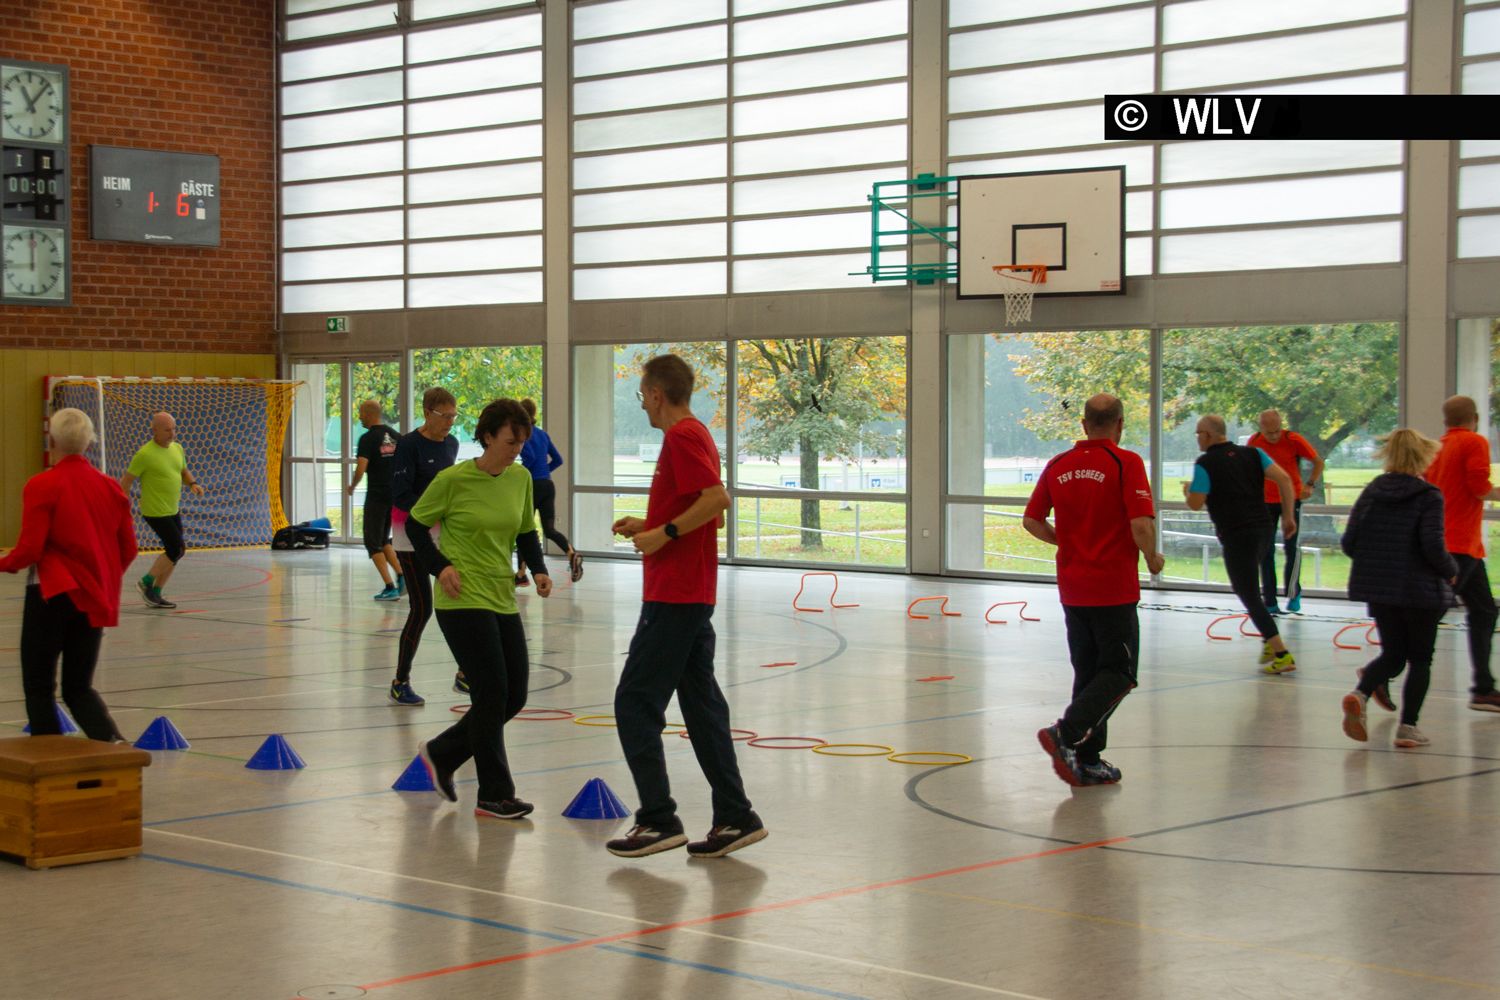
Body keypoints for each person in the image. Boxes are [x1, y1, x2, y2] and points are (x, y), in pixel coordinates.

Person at [606, 354, 765, 859]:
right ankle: (736, 815)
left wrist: (664, 533)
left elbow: (717, 500)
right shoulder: (695, 436)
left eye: (643, 396)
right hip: (690, 593)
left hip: (674, 595)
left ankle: (658, 819)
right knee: (701, 707)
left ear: (656, 394)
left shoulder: (682, 436)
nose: (643, 405)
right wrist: (650, 524)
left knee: (634, 702)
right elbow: (704, 511)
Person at [409, 399, 551, 819]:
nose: (517, 450)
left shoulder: (520, 478)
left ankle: (441, 753)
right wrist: (440, 566)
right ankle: (494, 794)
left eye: (522, 443)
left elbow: (525, 531)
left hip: (501, 595)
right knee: (490, 693)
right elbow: (416, 525)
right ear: (488, 436)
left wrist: (539, 569)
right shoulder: (453, 480)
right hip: (461, 597)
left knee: (514, 695)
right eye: (510, 441)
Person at [1024, 393, 1164, 787]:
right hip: (1112, 588)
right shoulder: (1126, 463)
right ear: (1120, 424)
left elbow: (1032, 521)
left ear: (1085, 425)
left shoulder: (1058, 464)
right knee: (1120, 672)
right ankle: (1065, 733)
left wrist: (1067, 542)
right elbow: (1141, 523)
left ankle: (1087, 758)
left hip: (1073, 589)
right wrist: (1151, 557)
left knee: (1088, 674)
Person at [0, 409, 136, 742]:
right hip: (93, 598)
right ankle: (116, 751)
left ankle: (49, 760)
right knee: (79, 688)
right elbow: (129, 548)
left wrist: (3, 563)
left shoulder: (42, 485)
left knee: (39, 686)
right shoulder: (110, 487)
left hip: (51, 593)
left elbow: (30, 550)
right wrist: (101, 576)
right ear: (89, 442)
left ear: (52, 441)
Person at [1340, 429, 1458, 749]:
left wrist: (1376, 563)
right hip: (1420, 591)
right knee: (1420, 659)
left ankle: (1360, 693)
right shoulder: (1428, 495)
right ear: (1423, 456)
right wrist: (1451, 571)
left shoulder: (1372, 491)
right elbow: (1432, 545)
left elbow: (1349, 541)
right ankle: (1408, 727)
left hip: (1380, 590)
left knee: (1393, 654)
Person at [1183, 415, 1299, 675]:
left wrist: (1188, 491)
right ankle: (1268, 638)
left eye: (1198, 433)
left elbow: (1195, 503)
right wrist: (1288, 516)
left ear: (1208, 435)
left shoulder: (1205, 463)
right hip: (1263, 530)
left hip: (1237, 534)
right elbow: (1285, 479)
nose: (1198, 438)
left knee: (1248, 593)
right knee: (1251, 587)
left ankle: (1282, 653)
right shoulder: (1254, 454)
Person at [1425, 395, 1500, 713]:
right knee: (1429, 616)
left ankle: (1483, 689)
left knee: (1484, 610)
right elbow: (1479, 487)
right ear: (1475, 417)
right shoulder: (1474, 442)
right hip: (1459, 545)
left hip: (1455, 543)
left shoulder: (1436, 447)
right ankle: (1379, 675)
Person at [387, 387, 461, 706]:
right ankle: (400, 681)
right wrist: (431, 511)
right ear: (428, 413)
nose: (450, 423)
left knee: (459, 597)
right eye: (445, 416)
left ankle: (465, 672)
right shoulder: (408, 445)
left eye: (454, 416)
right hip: (410, 534)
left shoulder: (452, 444)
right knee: (421, 608)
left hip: (443, 532)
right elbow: (400, 493)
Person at [120, 411, 204, 610]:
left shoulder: (177, 448)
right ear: (154, 430)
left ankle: (156, 592)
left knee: (177, 552)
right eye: (167, 430)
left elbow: (183, 470)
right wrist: (122, 506)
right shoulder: (145, 454)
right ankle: (146, 582)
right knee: (176, 548)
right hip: (155, 511)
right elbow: (127, 481)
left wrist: (193, 483)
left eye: (174, 429)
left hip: (172, 509)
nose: (172, 434)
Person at [1248, 409, 1323, 614]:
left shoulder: (1293, 439)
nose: (1274, 437)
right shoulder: (1254, 442)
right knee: (1266, 550)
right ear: (1261, 429)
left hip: (1291, 499)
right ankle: (1269, 600)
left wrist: (1310, 484)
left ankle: (1293, 592)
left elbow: (1318, 461)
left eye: (1277, 431)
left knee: (1292, 547)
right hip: (1265, 501)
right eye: (1269, 433)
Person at [514, 398, 583, 587]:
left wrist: (521, 473)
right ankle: (571, 553)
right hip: (547, 485)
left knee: (523, 528)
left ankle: (521, 574)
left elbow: (530, 457)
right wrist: (544, 472)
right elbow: (558, 459)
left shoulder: (524, 435)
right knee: (550, 530)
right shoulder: (543, 434)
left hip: (532, 486)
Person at [347, 400, 403, 602]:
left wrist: (352, 485)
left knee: (372, 543)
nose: (360, 417)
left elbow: (361, 467)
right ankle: (402, 576)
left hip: (377, 496)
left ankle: (390, 587)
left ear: (369, 414)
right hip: (393, 495)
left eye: (361, 413)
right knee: (383, 540)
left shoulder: (367, 439)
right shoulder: (396, 436)